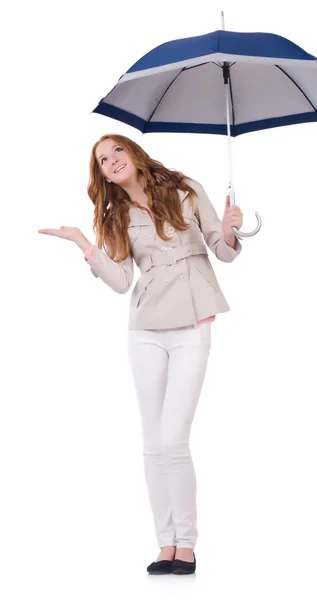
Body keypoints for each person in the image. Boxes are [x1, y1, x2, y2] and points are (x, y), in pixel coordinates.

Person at [38, 133, 243, 575]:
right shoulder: (114, 215)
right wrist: (83, 244)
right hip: (146, 328)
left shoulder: (185, 188)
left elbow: (222, 252)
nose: (111, 161)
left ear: (133, 152)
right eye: (102, 159)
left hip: (193, 321)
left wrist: (228, 229)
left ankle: (186, 543)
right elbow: (119, 281)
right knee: (154, 444)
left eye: (117, 151)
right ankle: (164, 544)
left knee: (173, 439)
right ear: (101, 173)